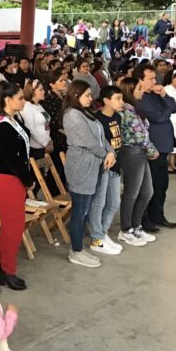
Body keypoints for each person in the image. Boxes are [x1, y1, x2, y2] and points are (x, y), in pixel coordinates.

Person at [63, 80, 116, 269]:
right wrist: (106, 153)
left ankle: (79, 248)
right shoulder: (72, 115)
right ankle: (75, 251)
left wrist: (111, 151)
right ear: (76, 96)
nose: (91, 98)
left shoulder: (86, 113)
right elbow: (89, 142)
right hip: (81, 167)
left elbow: (101, 139)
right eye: (87, 95)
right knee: (80, 211)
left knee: (85, 210)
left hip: (94, 166)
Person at [0, 81, 34, 290]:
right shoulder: (2, 126)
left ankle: (5, 267)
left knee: (14, 226)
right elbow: (11, 159)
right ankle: (8, 269)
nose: (24, 101)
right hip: (7, 179)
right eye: (20, 98)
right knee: (12, 227)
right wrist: (27, 179)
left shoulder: (13, 120)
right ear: (7, 100)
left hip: (14, 178)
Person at [136, 64, 176, 231]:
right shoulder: (140, 99)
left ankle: (158, 215)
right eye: (150, 79)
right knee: (149, 185)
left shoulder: (155, 94)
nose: (155, 81)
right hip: (153, 147)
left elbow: (173, 108)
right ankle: (144, 219)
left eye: (155, 78)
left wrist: (163, 95)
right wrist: (166, 108)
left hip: (164, 145)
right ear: (140, 80)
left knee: (161, 185)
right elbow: (159, 117)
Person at [117, 77, 158, 247]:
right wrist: (152, 150)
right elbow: (138, 135)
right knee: (131, 193)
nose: (142, 91)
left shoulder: (135, 109)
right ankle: (126, 230)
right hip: (132, 152)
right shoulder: (127, 110)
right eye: (139, 89)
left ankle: (136, 225)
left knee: (147, 192)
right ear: (130, 91)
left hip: (141, 152)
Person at [89, 86, 124, 256]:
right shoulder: (97, 120)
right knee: (99, 202)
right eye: (118, 98)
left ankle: (103, 233)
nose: (121, 102)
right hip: (103, 167)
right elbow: (98, 146)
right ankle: (96, 238)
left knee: (114, 202)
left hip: (116, 166)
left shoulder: (117, 117)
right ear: (106, 100)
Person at [19, 79, 51, 161]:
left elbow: (46, 125)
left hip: (45, 145)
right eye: (40, 90)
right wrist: (45, 143)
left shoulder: (39, 105)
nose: (44, 92)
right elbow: (31, 129)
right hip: (35, 148)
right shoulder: (27, 107)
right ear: (32, 92)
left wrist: (49, 140)